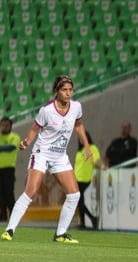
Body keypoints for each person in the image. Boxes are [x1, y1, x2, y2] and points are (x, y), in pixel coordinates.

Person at [1, 75, 92, 244]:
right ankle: (9, 229)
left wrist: (86, 146)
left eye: (70, 90)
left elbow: (78, 125)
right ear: (56, 91)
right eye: (64, 90)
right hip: (42, 153)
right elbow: (34, 129)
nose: (68, 93)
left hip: (60, 156)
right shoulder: (47, 110)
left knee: (74, 194)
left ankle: (60, 234)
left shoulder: (76, 107)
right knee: (31, 191)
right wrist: (27, 142)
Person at [75, 130, 105, 230]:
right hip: (77, 178)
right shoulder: (79, 151)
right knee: (79, 200)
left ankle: (90, 219)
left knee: (79, 200)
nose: (80, 140)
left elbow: (96, 160)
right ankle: (86, 221)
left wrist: (102, 166)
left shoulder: (92, 148)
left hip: (85, 178)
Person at [0, 117, 20, 221]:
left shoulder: (14, 137)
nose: (4, 127)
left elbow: (11, 147)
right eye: (2, 125)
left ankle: (13, 217)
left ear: (10, 126)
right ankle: (3, 217)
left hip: (8, 169)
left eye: (6, 125)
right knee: (0, 195)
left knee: (9, 194)